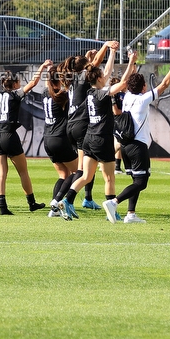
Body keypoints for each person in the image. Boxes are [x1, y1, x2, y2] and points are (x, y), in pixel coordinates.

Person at [55, 50, 138, 220]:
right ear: (99, 78)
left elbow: (106, 73)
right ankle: (112, 212)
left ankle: (67, 200)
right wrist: (131, 63)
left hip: (88, 139)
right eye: (103, 76)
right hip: (102, 139)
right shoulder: (101, 93)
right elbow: (122, 84)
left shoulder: (89, 92)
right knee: (109, 178)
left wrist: (112, 53)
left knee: (86, 175)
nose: (106, 76)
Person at [104, 52, 170, 224]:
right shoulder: (142, 99)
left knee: (135, 180)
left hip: (125, 146)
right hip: (137, 146)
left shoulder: (127, 97)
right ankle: (114, 202)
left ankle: (131, 214)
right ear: (143, 87)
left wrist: (132, 62)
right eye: (145, 84)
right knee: (142, 182)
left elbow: (131, 80)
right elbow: (165, 84)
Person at [0, 61, 53, 215]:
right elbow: (33, 82)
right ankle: (31, 203)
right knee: (23, 172)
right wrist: (43, 67)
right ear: (15, 83)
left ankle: (2, 207)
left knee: (1, 174)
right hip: (9, 135)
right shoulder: (15, 94)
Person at [64, 40, 119, 211]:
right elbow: (101, 69)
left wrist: (105, 54)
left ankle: (84, 198)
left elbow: (99, 69)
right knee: (83, 172)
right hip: (84, 126)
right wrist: (106, 47)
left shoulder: (74, 78)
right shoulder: (87, 81)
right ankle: (59, 202)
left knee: (86, 171)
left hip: (74, 125)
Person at [43, 62, 80, 217]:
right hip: (60, 138)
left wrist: (47, 69)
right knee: (79, 171)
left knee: (63, 175)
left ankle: (54, 210)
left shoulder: (46, 92)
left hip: (47, 139)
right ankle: (57, 200)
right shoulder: (62, 95)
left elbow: (49, 82)